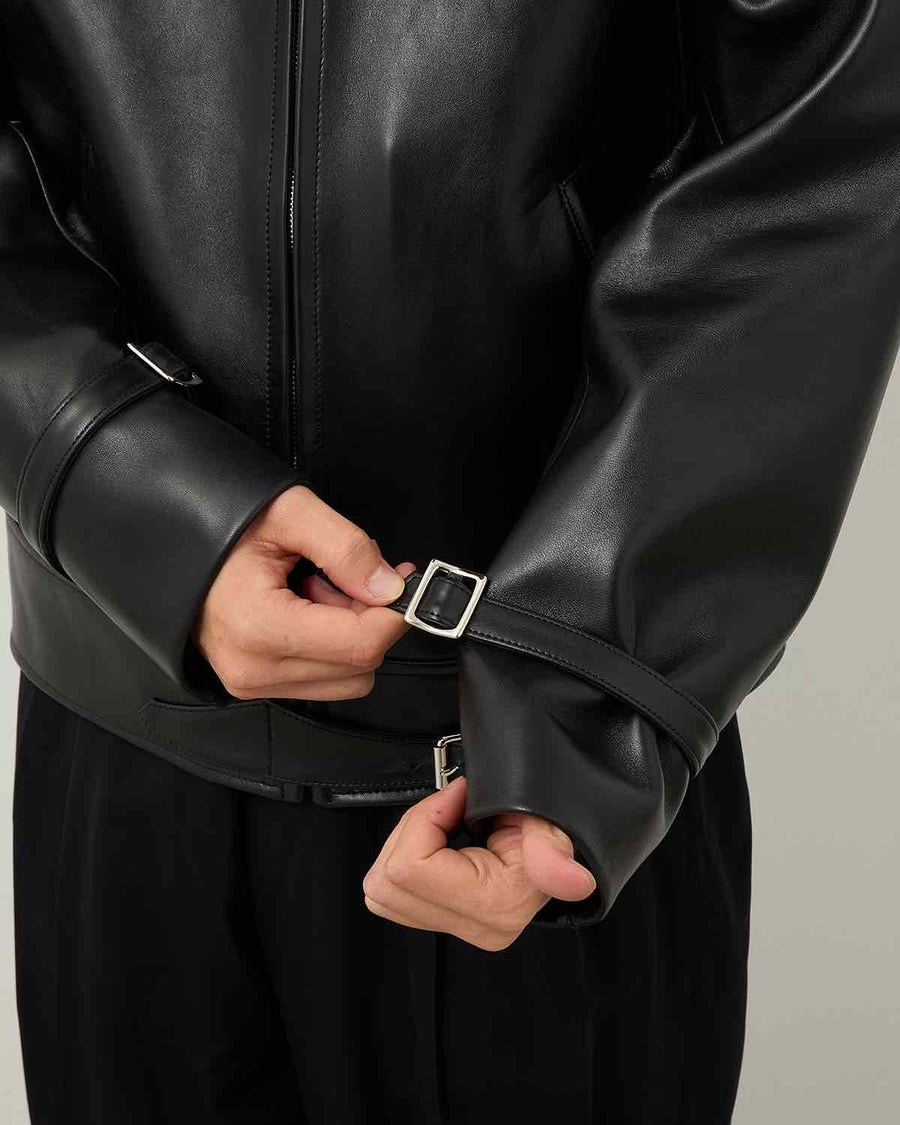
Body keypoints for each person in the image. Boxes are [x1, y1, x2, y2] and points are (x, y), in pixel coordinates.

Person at [1, 1, 898, 1122]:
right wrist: (119, 482)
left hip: (527, 785)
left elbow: (822, 150)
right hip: (121, 742)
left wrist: (579, 705)